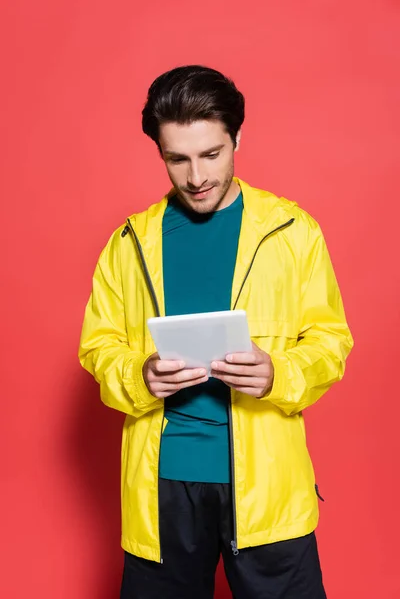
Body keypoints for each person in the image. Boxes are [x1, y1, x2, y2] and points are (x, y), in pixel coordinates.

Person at [79, 65, 353, 599]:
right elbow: (98, 346)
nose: (196, 176)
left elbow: (330, 341)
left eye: (212, 154)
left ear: (238, 139)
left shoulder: (293, 231)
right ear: (159, 152)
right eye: (176, 159)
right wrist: (139, 374)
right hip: (161, 494)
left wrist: (279, 371)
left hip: (268, 490)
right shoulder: (129, 242)